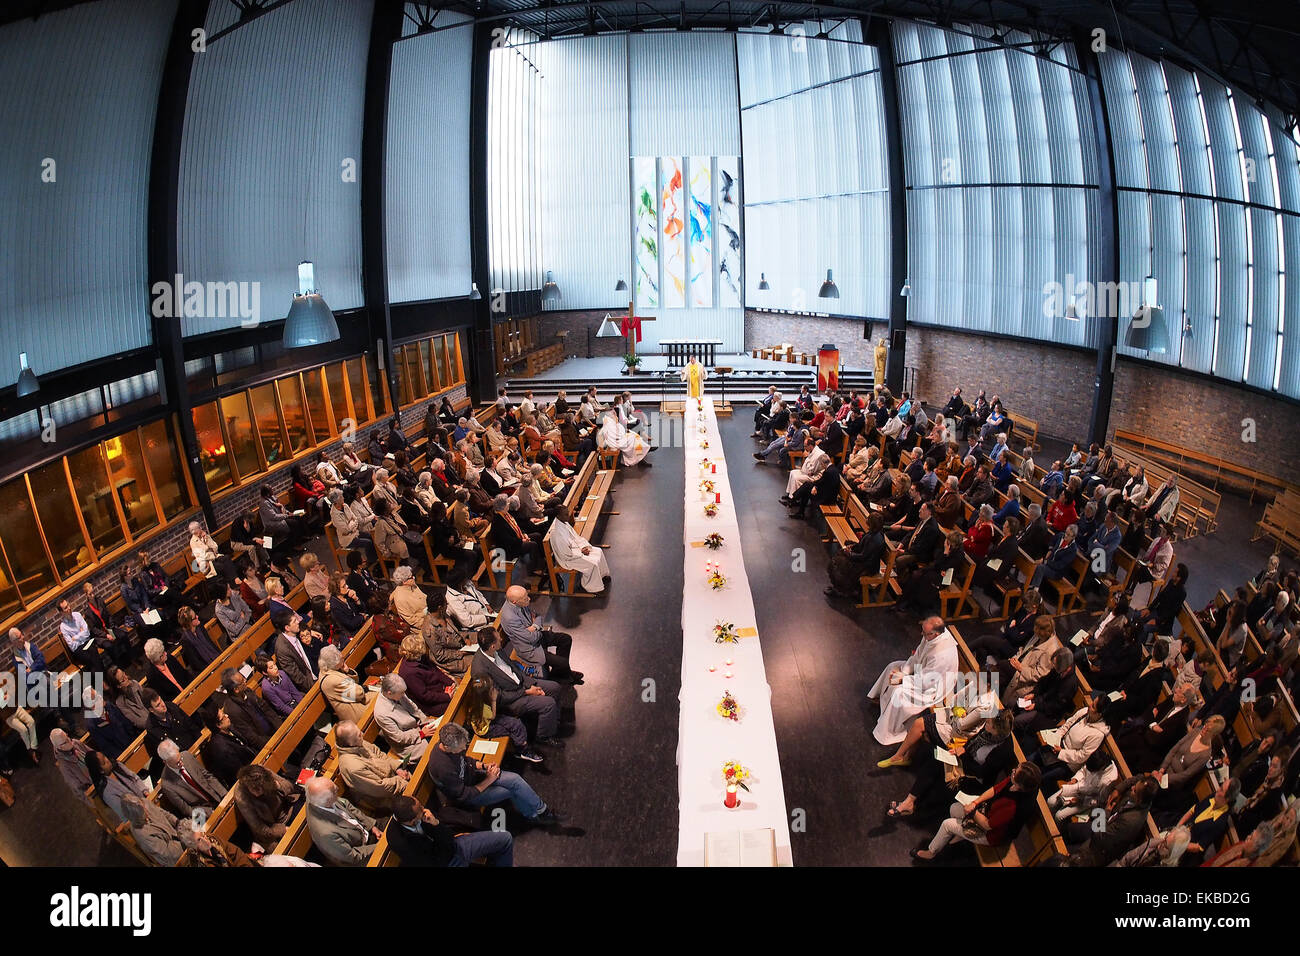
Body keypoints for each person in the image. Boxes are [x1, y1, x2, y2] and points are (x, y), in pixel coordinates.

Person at [426, 722, 559, 824]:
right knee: (509, 790)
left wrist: (484, 765)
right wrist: (489, 779)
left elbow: (466, 760)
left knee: (515, 779)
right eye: (460, 747)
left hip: (473, 777)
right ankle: (533, 816)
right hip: (469, 796)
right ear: (447, 747)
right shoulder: (442, 767)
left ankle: (543, 810)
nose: (463, 748)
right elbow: (464, 795)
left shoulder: (450, 747)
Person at [912, 761, 1042, 861]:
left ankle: (931, 853)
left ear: (1019, 785)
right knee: (954, 808)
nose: (1012, 770)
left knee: (947, 825)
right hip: (987, 810)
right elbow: (994, 790)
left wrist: (972, 811)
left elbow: (987, 825)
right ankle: (960, 833)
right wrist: (975, 803)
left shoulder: (1013, 806)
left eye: (1015, 772)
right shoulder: (1015, 781)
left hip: (991, 834)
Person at [867, 616, 959, 745]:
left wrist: (903, 679)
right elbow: (917, 656)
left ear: (935, 633)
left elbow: (927, 681)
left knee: (899, 692)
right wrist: (903, 672)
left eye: (924, 633)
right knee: (893, 666)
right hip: (922, 674)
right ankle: (883, 702)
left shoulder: (942, 656)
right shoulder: (932, 636)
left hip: (934, 687)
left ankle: (889, 730)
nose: (922, 634)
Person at [470, 627, 566, 747]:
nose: (501, 638)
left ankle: (553, 722)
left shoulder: (496, 649)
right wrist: (526, 692)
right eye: (498, 639)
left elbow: (513, 668)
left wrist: (528, 683)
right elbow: (499, 697)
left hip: (521, 684)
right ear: (492, 647)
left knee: (555, 687)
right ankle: (544, 736)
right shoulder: (479, 670)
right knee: (548, 704)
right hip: (510, 701)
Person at [385, 794, 514, 867]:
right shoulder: (398, 840)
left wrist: (436, 823)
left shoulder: (421, 813)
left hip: (454, 845)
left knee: (505, 838)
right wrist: (447, 842)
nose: (424, 808)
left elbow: (448, 836)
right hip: (445, 863)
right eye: (420, 810)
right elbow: (430, 863)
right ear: (411, 821)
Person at [499, 585, 581, 683]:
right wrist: (536, 626)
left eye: (527, 596)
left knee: (565, 639)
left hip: (536, 636)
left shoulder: (520, 602)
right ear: (514, 602)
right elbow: (531, 639)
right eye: (525, 599)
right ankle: (564, 675)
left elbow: (537, 616)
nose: (529, 599)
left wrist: (534, 627)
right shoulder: (510, 618)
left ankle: (561, 673)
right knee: (562, 662)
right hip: (529, 648)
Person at [304, 776, 383, 866]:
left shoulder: (317, 796)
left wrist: (371, 826)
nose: (337, 788)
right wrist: (380, 846)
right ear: (328, 801)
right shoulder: (326, 834)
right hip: (362, 850)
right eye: (334, 791)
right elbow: (353, 856)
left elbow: (348, 805)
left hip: (365, 829)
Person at [335, 720, 409, 815]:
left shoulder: (357, 743)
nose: (362, 734)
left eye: (359, 731)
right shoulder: (353, 767)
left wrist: (398, 768)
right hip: (386, 799)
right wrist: (402, 781)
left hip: (394, 779)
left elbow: (381, 755)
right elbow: (380, 787)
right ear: (350, 743)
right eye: (358, 735)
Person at [157, 738, 227, 818]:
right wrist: (211, 813)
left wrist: (224, 794)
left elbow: (207, 776)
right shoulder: (167, 784)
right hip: (203, 813)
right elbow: (186, 810)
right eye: (177, 763)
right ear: (165, 762)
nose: (182, 763)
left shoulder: (186, 755)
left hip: (216, 796)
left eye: (180, 759)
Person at [373, 672, 437, 761]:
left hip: (420, 727)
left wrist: (425, 721)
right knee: (435, 749)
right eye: (401, 693)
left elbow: (414, 708)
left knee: (443, 730)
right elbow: (399, 737)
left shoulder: (398, 692)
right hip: (409, 743)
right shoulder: (381, 713)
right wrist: (421, 734)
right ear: (389, 693)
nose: (404, 695)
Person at [232, 763, 299, 847]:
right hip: (273, 828)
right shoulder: (241, 795)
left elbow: (290, 787)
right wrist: (283, 830)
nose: (259, 792)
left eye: (262, 788)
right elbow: (261, 829)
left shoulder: (262, 773)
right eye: (255, 789)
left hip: (288, 808)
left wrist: (277, 785)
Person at [118, 793, 184, 866]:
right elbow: (166, 852)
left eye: (144, 808)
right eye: (142, 813)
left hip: (180, 838)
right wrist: (185, 842)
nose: (146, 811)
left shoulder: (145, 803)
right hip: (175, 858)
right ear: (135, 818)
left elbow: (164, 814)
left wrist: (179, 823)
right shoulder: (141, 833)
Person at [318, 644, 373, 725]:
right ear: (335, 664)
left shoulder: (330, 668)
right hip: (356, 712)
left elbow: (355, 682)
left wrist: (348, 671)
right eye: (341, 660)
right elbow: (359, 694)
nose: (343, 660)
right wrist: (359, 687)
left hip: (358, 702)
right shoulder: (332, 680)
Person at [81, 686, 136, 757]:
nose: (101, 697)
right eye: (97, 698)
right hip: (122, 753)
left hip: (132, 741)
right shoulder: (92, 724)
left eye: (98, 694)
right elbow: (106, 747)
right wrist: (124, 756)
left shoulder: (109, 705)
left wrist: (135, 741)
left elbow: (126, 723)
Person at [273, 614, 319, 693]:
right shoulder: (283, 649)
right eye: (294, 621)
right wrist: (316, 687)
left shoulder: (295, 632)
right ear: (287, 628)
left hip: (317, 671)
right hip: (309, 684)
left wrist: (311, 632)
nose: (298, 622)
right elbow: (298, 677)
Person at [253, 652, 304, 718]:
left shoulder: (282, 673)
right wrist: (297, 713)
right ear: (265, 672)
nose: (275, 668)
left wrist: (303, 704)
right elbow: (281, 706)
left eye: (274, 664)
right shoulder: (267, 687)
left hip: (294, 701)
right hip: (287, 710)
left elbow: (294, 692)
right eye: (271, 667)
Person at [178, 605, 222, 671]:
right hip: (206, 669)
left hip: (216, 658)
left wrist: (222, 655)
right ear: (189, 622)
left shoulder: (200, 627)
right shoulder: (185, 640)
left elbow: (211, 644)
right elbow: (196, 663)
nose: (197, 617)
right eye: (195, 617)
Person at [389, 565, 429, 631]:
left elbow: (424, 597)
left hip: (429, 613)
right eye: (411, 577)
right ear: (404, 582)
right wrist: (430, 622)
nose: (414, 578)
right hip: (421, 624)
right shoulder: (400, 598)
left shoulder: (411, 585)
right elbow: (412, 620)